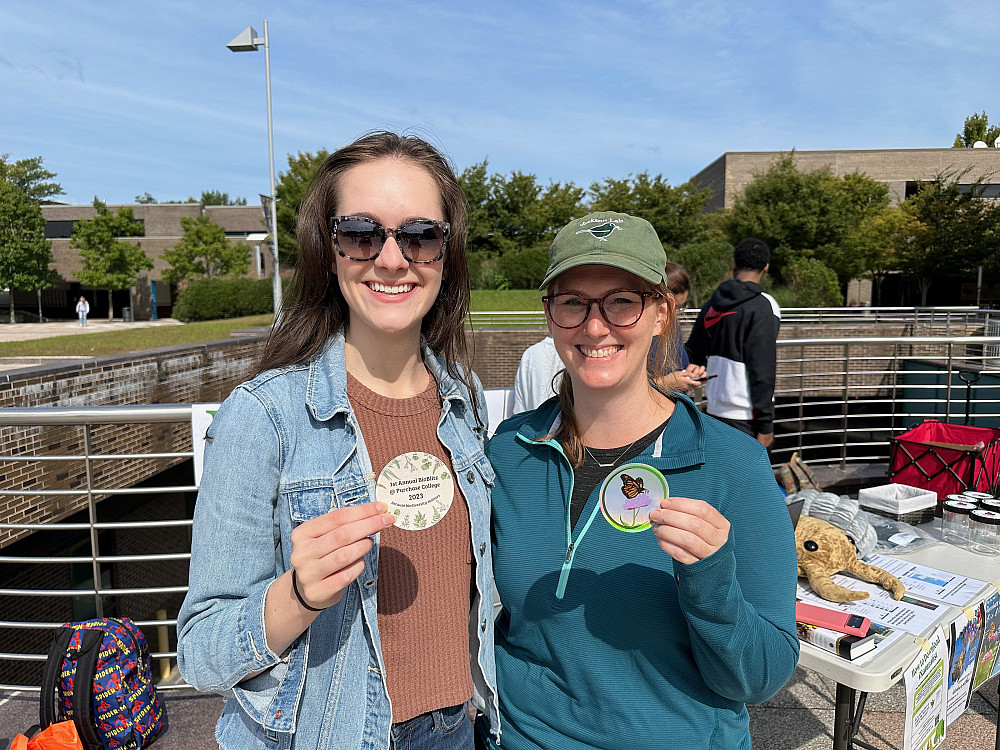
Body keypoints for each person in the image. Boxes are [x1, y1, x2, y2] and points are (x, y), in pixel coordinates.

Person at [177, 132, 499, 749]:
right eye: (361, 233)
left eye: (419, 235)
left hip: (457, 729)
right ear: (328, 252)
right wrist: (296, 595)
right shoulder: (263, 417)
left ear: (445, 255)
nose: (391, 258)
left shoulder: (465, 398)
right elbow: (199, 651)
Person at [480, 212, 798, 750]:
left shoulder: (732, 464)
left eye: (622, 301)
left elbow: (761, 678)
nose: (595, 325)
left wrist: (711, 582)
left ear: (660, 314)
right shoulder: (510, 451)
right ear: (551, 317)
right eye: (572, 301)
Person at [685, 237, 781, 448]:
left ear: (734, 265)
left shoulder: (712, 303)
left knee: (722, 476)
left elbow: (692, 353)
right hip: (747, 415)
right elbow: (762, 369)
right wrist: (766, 425)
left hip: (714, 410)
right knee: (748, 479)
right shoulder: (765, 306)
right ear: (766, 267)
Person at [652, 261, 706, 392]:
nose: (675, 314)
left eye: (680, 308)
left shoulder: (673, 324)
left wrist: (690, 371)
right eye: (674, 308)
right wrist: (663, 383)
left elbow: (677, 362)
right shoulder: (634, 330)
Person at [511, 336, 563, 413]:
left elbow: (519, 405)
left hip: (531, 421)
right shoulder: (571, 355)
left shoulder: (530, 353)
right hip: (563, 422)